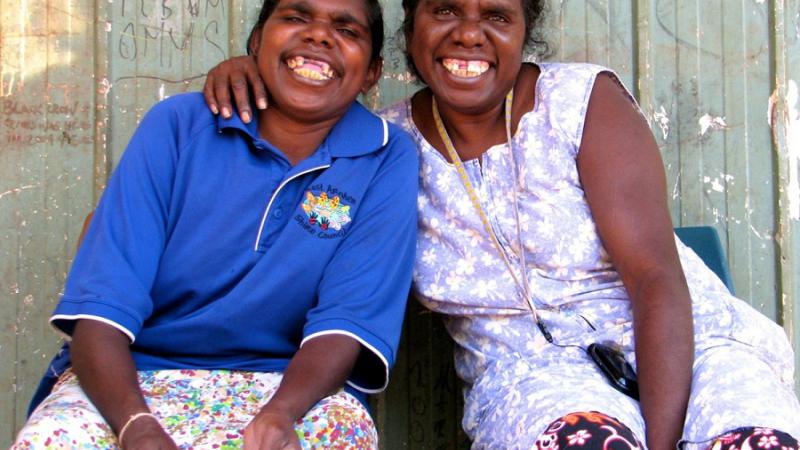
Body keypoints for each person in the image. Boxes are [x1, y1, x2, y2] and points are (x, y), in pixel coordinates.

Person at [202, 1, 800, 450]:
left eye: (496, 14)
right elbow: (283, 186)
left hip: (692, 348)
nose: (468, 33)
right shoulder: (380, 148)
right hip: (527, 377)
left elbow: (654, 279)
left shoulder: (580, 102)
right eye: (444, 11)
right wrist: (251, 77)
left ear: (522, 31)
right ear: (412, 28)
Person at [13, 0, 418, 448]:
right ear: (256, 42)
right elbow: (104, 300)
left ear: (372, 73)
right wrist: (135, 426)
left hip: (291, 386)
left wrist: (280, 415)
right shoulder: (178, 126)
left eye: (347, 29)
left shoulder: (384, 156)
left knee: (340, 436)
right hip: (132, 378)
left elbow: (347, 319)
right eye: (297, 17)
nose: (320, 35)